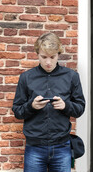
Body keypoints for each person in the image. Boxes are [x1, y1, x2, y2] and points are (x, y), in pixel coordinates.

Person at [12, 32, 85, 172]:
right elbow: (17, 111)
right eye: (43, 57)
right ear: (37, 54)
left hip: (62, 146)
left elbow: (80, 108)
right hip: (34, 147)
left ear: (59, 54)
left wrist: (66, 106)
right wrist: (31, 106)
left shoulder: (71, 76)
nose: (48, 62)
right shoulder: (26, 77)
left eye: (53, 57)